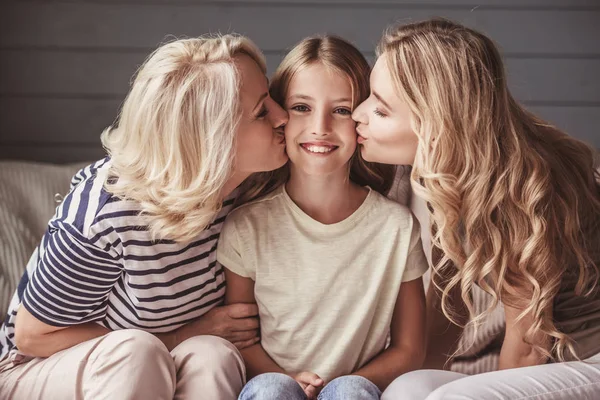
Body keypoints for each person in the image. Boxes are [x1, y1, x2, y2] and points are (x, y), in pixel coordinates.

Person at [0, 34, 289, 400]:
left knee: (213, 355)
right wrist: (178, 336)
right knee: (137, 351)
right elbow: (32, 335)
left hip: (157, 359)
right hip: (30, 368)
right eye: (262, 111)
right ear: (210, 138)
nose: (283, 116)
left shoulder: (246, 189)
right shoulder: (106, 214)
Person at [351, 18, 600, 399]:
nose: (358, 114)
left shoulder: (518, 189)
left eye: (381, 112)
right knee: (408, 389)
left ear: (437, 126)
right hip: (559, 362)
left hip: (588, 359)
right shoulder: (451, 173)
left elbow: (527, 347)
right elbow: (448, 305)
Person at [217, 35, 429, 400]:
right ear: (279, 115)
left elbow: (410, 349)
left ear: (362, 119)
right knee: (270, 391)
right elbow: (241, 338)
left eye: (342, 110)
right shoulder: (245, 226)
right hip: (270, 386)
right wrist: (289, 381)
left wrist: (335, 388)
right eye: (301, 107)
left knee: (349, 393)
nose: (320, 127)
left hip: (357, 391)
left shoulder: (396, 228)